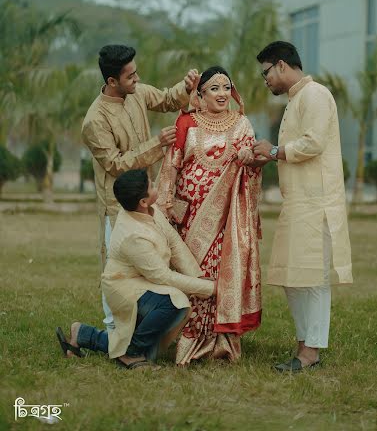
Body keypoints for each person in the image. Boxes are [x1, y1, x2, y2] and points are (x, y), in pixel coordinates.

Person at [253, 41, 353, 372]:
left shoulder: (315, 95)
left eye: (266, 72)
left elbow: (313, 143)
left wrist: (273, 151)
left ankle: (309, 353)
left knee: (312, 278)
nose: (265, 79)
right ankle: (304, 345)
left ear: (281, 65)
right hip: (298, 203)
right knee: (291, 275)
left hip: (317, 203)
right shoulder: (297, 99)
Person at [81, 44, 197, 328]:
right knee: (117, 270)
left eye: (136, 73)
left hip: (149, 199)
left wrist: (186, 85)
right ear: (111, 81)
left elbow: (168, 99)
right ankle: (112, 329)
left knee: (155, 263)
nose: (137, 79)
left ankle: (147, 326)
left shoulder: (137, 93)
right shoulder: (94, 121)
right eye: (130, 76)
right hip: (116, 206)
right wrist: (158, 143)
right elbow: (116, 164)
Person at [56, 169, 216, 369]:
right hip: (123, 287)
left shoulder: (150, 210)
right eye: (151, 185)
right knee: (175, 302)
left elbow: (174, 243)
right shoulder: (133, 234)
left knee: (170, 309)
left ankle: (83, 334)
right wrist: (208, 288)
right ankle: (129, 354)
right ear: (142, 201)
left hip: (142, 282)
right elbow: (163, 276)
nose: (155, 186)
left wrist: (199, 276)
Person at [157, 66, 262, 365]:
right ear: (199, 94)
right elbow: (170, 167)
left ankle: (222, 342)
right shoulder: (186, 123)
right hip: (189, 215)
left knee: (221, 274)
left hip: (227, 216)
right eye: (214, 88)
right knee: (193, 274)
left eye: (226, 87)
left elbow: (253, 165)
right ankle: (190, 337)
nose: (222, 94)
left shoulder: (242, 124)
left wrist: (249, 159)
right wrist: (164, 206)